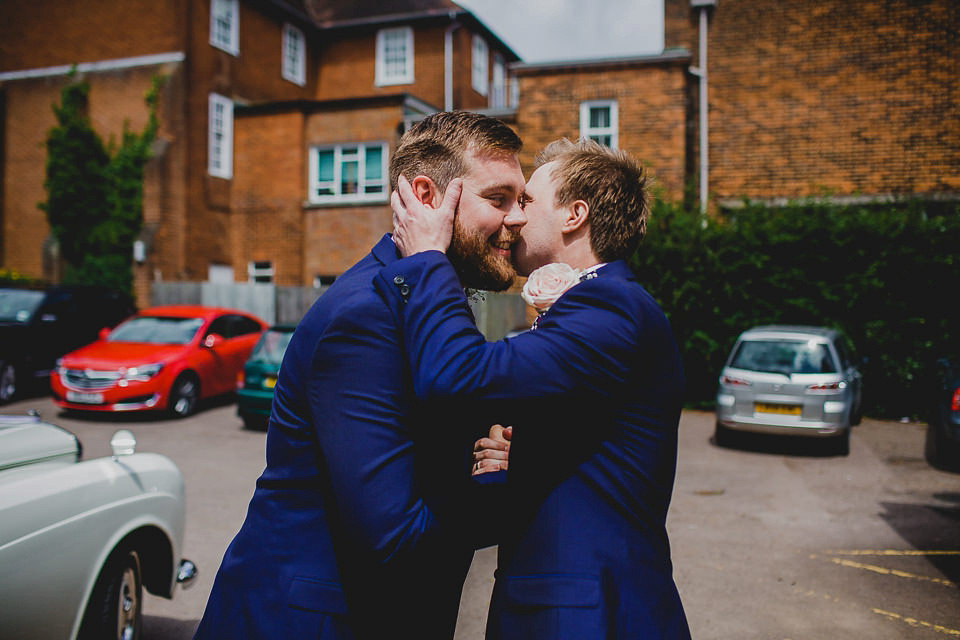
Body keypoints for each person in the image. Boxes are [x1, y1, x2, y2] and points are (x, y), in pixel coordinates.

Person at [194, 111, 526, 640]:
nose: (517, 219)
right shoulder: (367, 315)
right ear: (426, 195)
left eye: (522, 201)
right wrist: (518, 485)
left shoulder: (426, 300)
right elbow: (394, 534)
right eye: (499, 199)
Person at [377, 138, 691, 639]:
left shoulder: (610, 307)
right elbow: (590, 450)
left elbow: (460, 376)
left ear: (575, 215)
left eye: (526, 202)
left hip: (584, 613)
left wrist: (428, 259)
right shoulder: (601, 304)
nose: (514, 218)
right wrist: (523, 454)